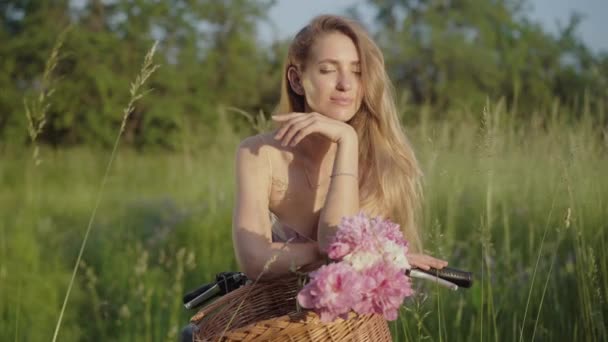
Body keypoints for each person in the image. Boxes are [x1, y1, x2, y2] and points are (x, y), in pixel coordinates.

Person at [232, 14, 448, 281]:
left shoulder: (379, 161)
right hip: (276, 321)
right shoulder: (258, 153)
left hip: (351, 322)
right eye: (328, 70)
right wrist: (333, 252)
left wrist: (347, 139)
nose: (345, 84)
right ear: (297, 80)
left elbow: (335, 238)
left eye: (357, 72)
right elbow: (254, 261)